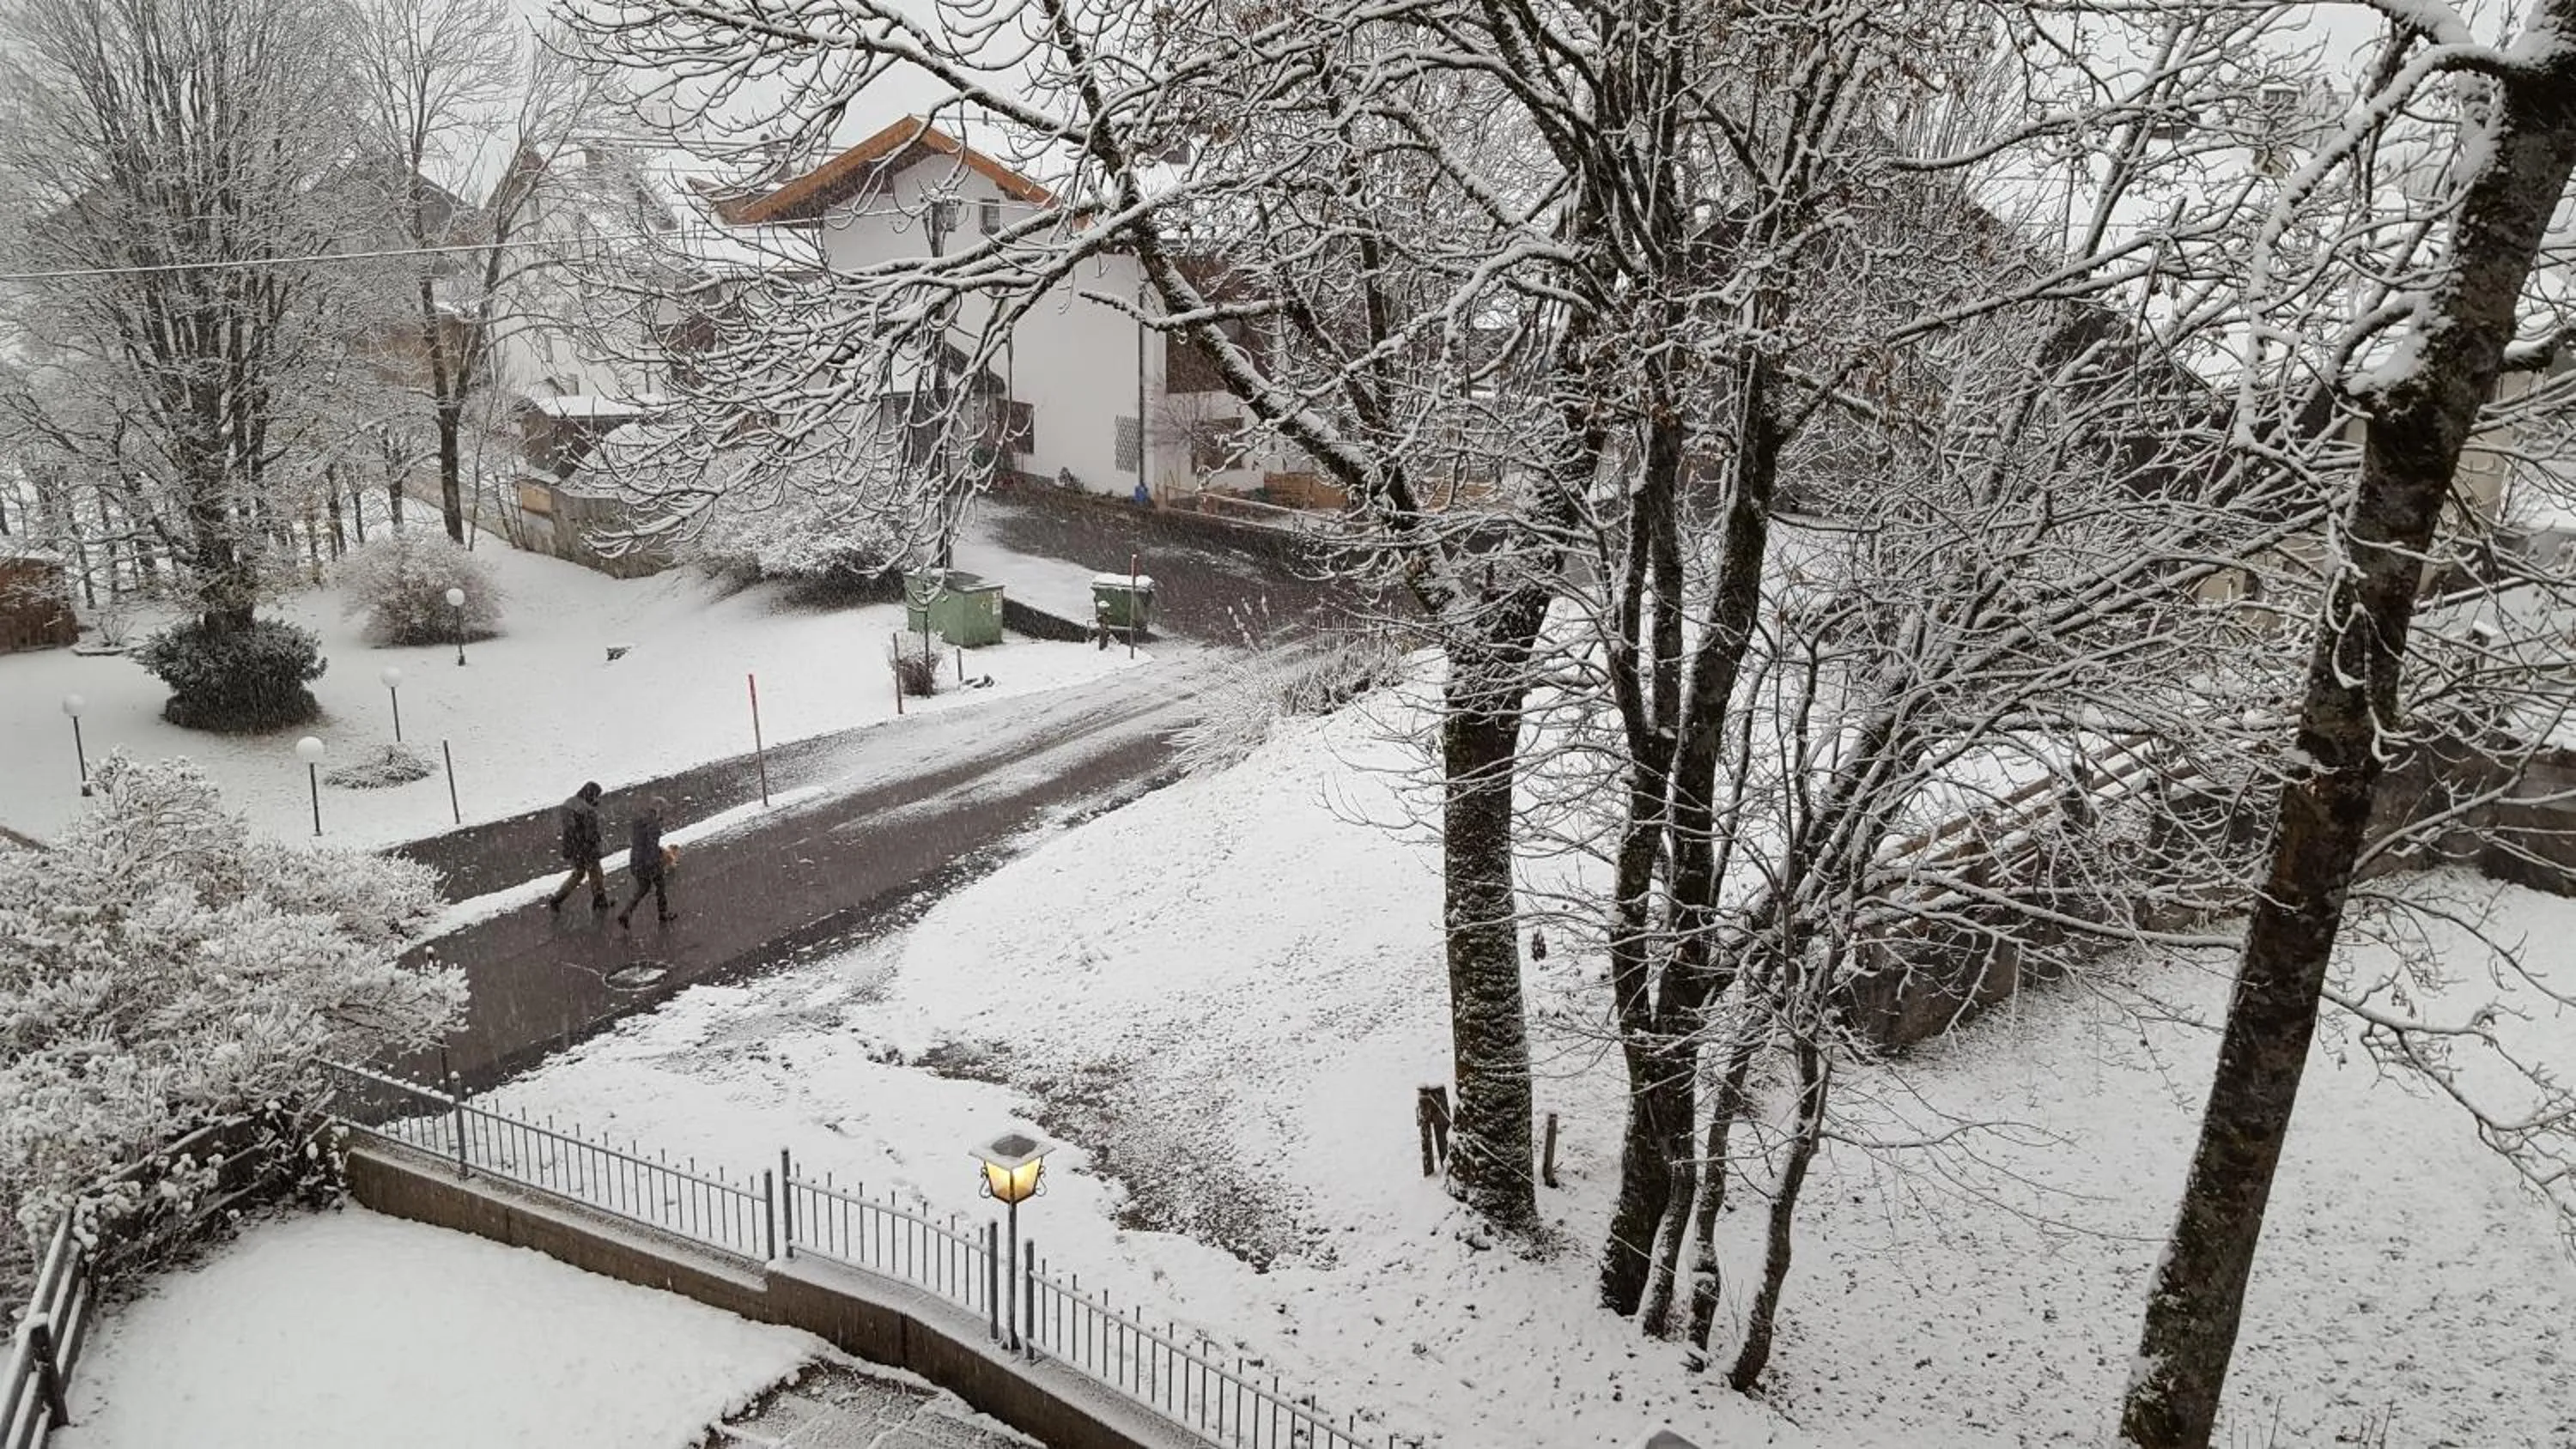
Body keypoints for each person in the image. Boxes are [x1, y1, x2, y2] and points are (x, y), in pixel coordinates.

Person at [545, 782, 610, 912]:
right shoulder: (588, 810)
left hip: (573, 846)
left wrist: (568, 846)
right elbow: (591, 834)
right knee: (595, 871)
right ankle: (600, 900)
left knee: (579, 873)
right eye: (597, 796)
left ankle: (557, 899)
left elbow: (568, 828)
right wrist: (596, 843)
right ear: (592, 795)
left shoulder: (568, 803)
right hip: (586, 847)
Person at [616, 796, 677, 929]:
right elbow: (651, 846)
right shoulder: (653, 826)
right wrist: (657, 861)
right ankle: (663, 914)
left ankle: (626, 912)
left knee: (643, 888)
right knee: (660, 886)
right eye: (663, 811)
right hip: (648, 862)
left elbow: (641, 843)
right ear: (658, 810)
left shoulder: (639, 822)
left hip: (636, 860)